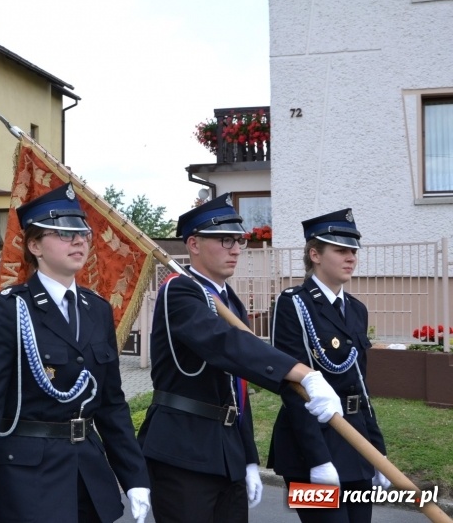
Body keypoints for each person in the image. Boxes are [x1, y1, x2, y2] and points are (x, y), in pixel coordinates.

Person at [136, 193, 345, 523]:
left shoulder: (229, 300)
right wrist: (301, 372)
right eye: (224, 240)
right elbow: (223, 344)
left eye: (239, 241)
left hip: (227, 451)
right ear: (193, 244)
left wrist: (248, 458)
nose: (235, 249)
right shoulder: (179, 290)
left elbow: (238, 391)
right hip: (183, 449)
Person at [0, 183, 151, 523]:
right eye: (63, 232)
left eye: (83, 233)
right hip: (29, 479)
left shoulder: (97, 309)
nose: (79, 240)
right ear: (34, 245)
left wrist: (135, 478)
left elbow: (111, 403)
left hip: (88, 474)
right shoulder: (10, 308)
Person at [267, 209, 388, 523]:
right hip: (308, 446)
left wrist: (377, 450)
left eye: (353, 251)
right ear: (315, 254)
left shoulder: (357, 310)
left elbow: (361, 386)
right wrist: (318, 459)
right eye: (341, 250)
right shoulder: (293, 302)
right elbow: (292, 385)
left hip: (355, 440)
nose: (351, 257)